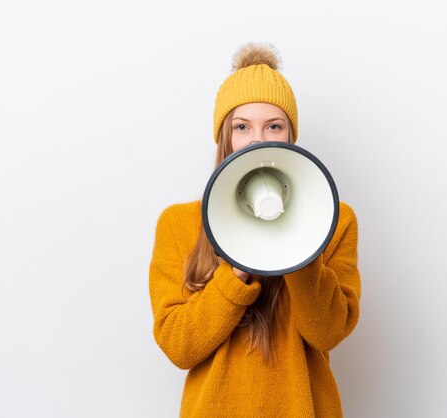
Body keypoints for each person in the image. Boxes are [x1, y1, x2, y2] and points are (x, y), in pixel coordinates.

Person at [149, 43, 361, 417]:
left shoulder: (334, 220)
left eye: (273, 126)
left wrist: (300, 242)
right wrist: (236, 265)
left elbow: (328, 333)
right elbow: (179, 347)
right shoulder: (178, 224)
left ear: (290, 135)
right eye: (242, 127)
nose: (258, 140)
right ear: (225, 138)